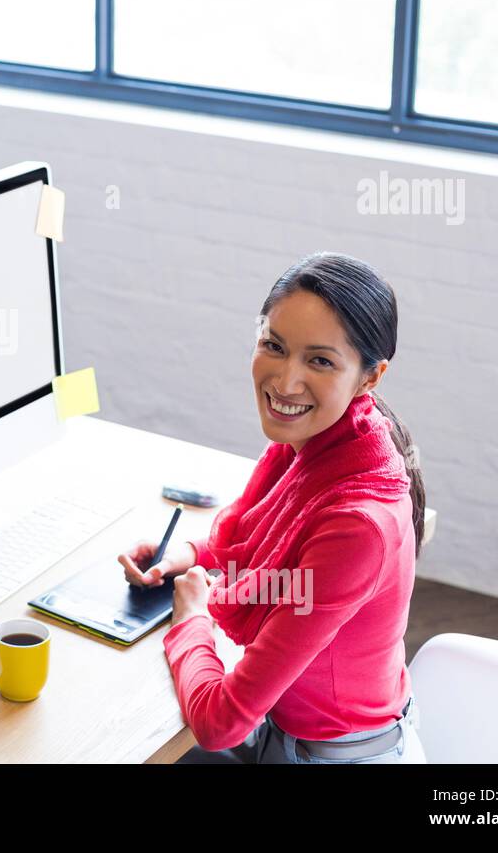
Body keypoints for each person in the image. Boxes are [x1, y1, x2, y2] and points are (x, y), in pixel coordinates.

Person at [119, 252, 427, 764]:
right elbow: (267, 546)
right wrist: (192, 556)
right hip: (288, 732)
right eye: (274, 347)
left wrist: (191, 619)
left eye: (321, 360)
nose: (285, 383)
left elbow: (221, 722)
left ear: (371, 377)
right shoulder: (325, 439)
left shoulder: (358, 526)